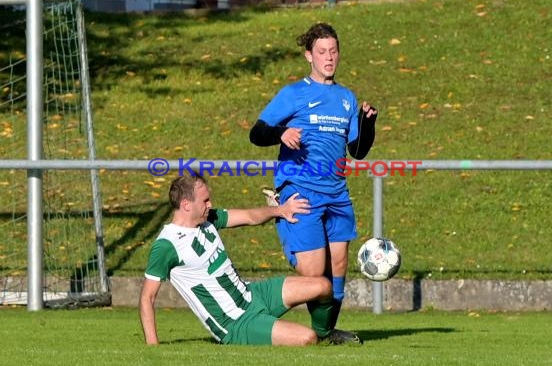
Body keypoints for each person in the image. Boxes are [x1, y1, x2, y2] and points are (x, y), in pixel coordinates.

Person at [249, 22, 378, 345]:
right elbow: (256, 133)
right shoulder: (293, 94)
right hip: (301, 190)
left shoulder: (347, 98)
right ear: (309, 55)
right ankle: (257, 304)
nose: (329, 57)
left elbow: (358, 151)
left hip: (337, 192)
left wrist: (368, 124)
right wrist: (280, 133)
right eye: (322, 52)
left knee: (338, 264)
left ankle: (324, 332)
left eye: (333, 51)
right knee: (313, 274)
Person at [139, 175, 334, 346]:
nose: (210, 205)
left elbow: (249, 217)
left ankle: (327, 335)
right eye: (205, 201)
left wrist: (280, 210)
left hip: (252, 295)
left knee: (323, 286)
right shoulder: (166, 245)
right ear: (186, 204)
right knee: (306, 338)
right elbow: (147, 297)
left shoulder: (208, 220)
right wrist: (153, 346)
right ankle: (310, 336)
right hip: (235, 323)